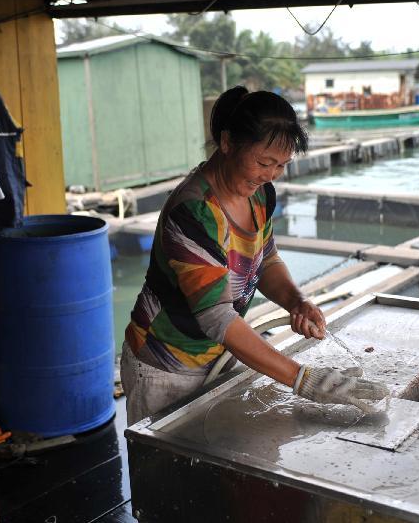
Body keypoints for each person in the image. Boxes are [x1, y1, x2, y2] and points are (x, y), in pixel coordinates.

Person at [120, 87, 389, 425]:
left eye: (281, 165)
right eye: (263, 162)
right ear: (228, 142)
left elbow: (265, 258)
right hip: (165, 364)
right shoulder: (193, 211)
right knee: (164, 468)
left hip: (218, 355)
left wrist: (296, 301)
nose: (270, 175)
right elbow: (217, 317)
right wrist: (304, 379)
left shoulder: (260, 195)